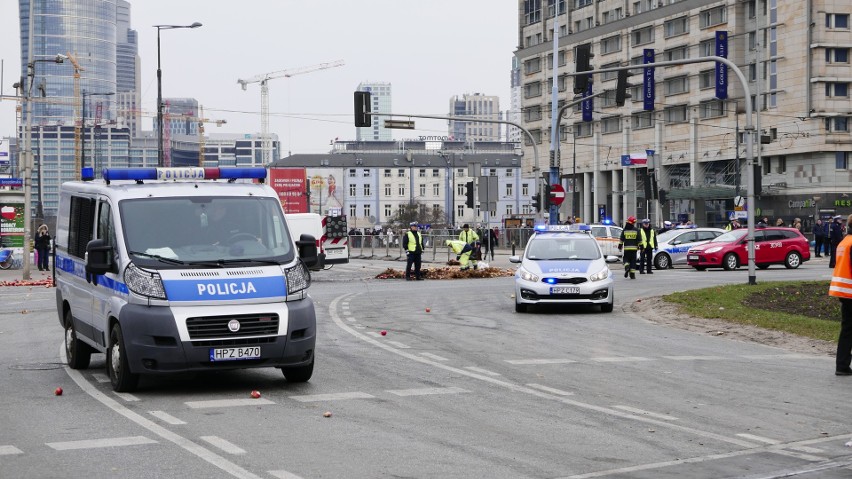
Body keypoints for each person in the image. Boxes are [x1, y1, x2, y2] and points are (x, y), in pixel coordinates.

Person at [828, 213, 852, 376]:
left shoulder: (844, 242)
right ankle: (842, 365)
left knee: (847, 329)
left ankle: (842, 365)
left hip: (844, 291)